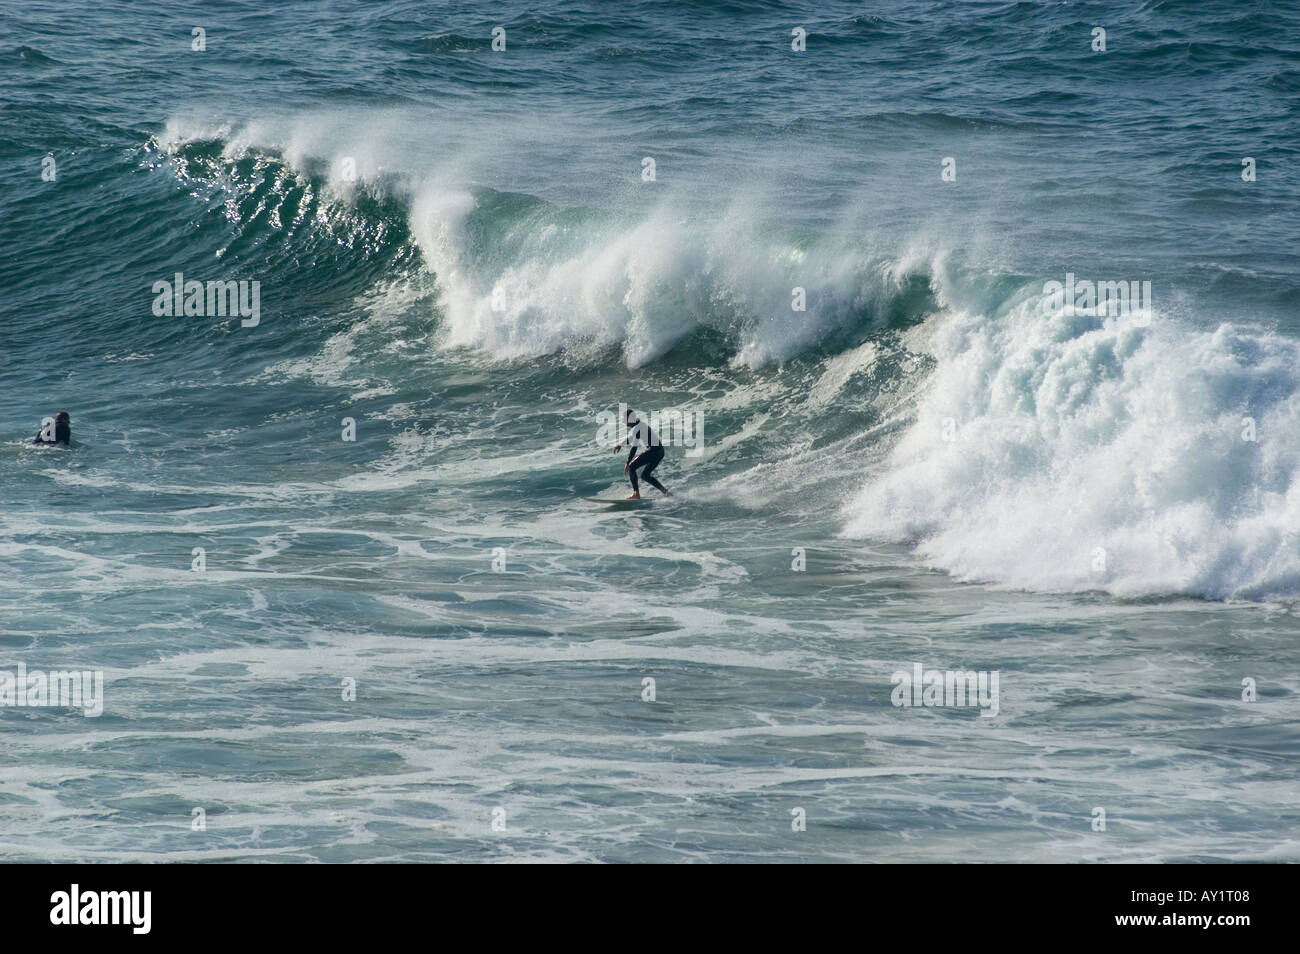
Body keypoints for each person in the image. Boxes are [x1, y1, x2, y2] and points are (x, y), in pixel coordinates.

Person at [613, 408, 670, 499]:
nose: (623, 421)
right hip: (660, 451)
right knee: (645, 475)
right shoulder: (639, 425)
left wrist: (628, 462)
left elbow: (634, 447)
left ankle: (636, 494)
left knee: (632, 467)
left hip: (654, 451)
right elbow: (632, 438)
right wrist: (620, 444)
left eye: (625, 419)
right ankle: (665, 492)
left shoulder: (637, 428)